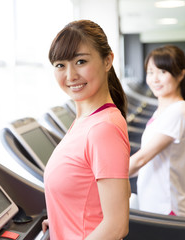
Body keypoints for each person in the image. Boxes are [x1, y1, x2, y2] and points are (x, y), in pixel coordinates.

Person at [42, 20, 131, 239]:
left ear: (107, 60)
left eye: (80, 61)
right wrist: (61, 217)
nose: (70, 75)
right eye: (60, 65)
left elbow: (116, 226)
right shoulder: (86, 120)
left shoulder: (102, 128)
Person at [129, 45, 185, 217]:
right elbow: (145, 163)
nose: (155, 79)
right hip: (153, 205)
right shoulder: (162, 111)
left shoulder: (178, 111)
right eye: (150, 72)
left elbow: (141, 158)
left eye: (162, 72)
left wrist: (95, 181)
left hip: (167, 208)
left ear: (180, 74)